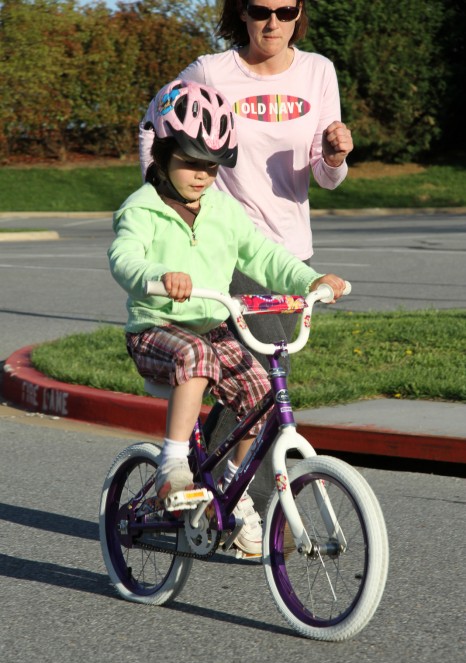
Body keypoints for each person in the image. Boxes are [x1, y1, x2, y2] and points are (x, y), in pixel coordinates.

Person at [110, 80, 347, 555]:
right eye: (191, 164)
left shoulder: (222, 208)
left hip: (213, 324)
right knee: (196, 355)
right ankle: (172, 465)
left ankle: (235, 494)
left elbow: (262, 254)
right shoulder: (141, 209)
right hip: (157, 329)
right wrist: (159, 275)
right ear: (161, 155)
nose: (202, 177)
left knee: (261, 391)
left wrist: (310, 280)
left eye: (212, 168)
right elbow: (124, 258)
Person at [139, 0, 353, 361]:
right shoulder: (212, 71)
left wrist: (335, 158)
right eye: (260, 12)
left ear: (298, 13)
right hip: (230, 247)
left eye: (285, 12)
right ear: (242, 12)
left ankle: (192, 416)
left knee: (265, 374)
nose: (273, 23)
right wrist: (166, 197)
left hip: (291, 250)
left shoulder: (318, 72)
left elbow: (326, 176)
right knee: (271, 367)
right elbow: (152, 124)